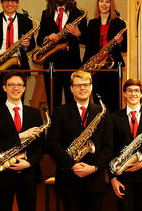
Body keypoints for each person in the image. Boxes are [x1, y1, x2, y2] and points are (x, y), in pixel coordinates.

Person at [46, 70, 111, 211]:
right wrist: (72, 165)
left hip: (94, 180)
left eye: (86, 84)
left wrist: (94, 167)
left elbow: (108, 147)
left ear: (91, 87)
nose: (82, 88)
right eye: (78, 85)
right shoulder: (59, 111)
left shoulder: (102, 112)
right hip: (69, 180)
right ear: (71, 88)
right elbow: (52, 143)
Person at [0, 71, 45, 211]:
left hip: (29, 175)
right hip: (4, 176)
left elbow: (41, 145)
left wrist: (29, 162)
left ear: (24, 88)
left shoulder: (34, 114)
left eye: (19, 85)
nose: (15, 88)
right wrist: (20, 136)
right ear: (4, 87)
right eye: (11, 85)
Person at [107, 78, 142, 211]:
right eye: (129, 90)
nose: (133, 94)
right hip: (122, 176)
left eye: (136, 90)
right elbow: (109, 149)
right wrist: (112, 178)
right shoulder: (114, 117)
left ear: (141, 93)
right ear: (124, 93)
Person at [37, 0, 87, 106]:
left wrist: (78, 33)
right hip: (52, 64)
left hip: (72, 63)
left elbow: (87, 39)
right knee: (53, 102)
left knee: (73, 102)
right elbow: (39, 39)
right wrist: (47, 37)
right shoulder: (46, 13)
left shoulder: (79, 13)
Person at [81, 0, 126, 112]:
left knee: (113, 101)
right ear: (98, 3)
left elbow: (125, 48)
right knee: (97, 101)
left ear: (111, 4)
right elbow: (89, 46)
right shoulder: (92, 23)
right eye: (101, 1)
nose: (104, 4)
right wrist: (86, 66)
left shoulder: (119, 23)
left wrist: (120, 41)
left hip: (112, 67)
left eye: (107, 1)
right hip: (95, 67)